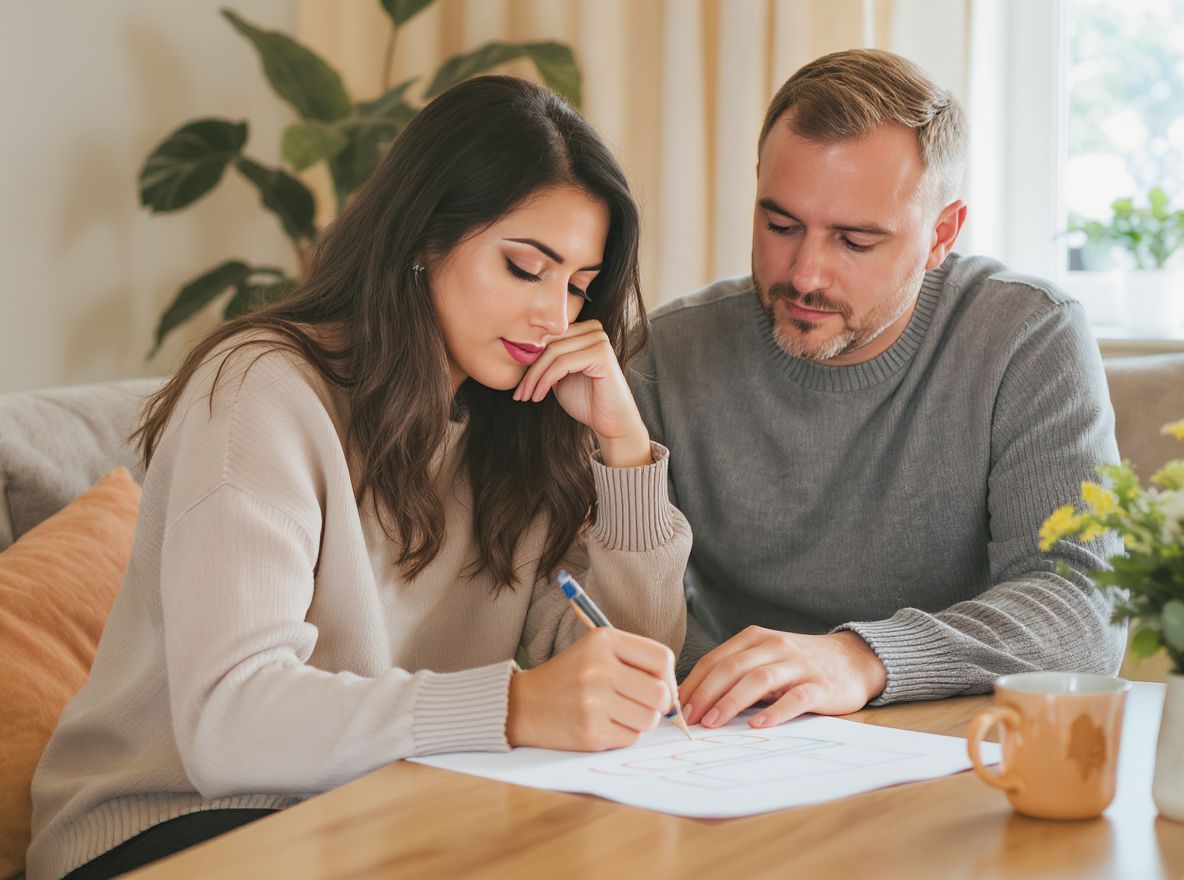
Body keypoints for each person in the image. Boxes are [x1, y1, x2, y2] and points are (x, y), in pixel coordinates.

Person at [29, 76, 690, 880]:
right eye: (526, 267)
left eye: (579, 287)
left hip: (377, 813)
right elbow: (229, 723)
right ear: (423, 237)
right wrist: (515, 706)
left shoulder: (514, 427)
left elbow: (626, 675)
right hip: (169, 830)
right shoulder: (260, 391)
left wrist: (625, 450)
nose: (556, 317)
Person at [627, 49, 1124, 733]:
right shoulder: (667, 355)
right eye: (780, 225)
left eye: (855, 241)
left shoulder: (1026, 337)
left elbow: (1084, 607)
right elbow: (607, 620)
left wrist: (861, 659)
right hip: (728, 740)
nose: (804, 273)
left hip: (951, 744)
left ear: (940, 234)